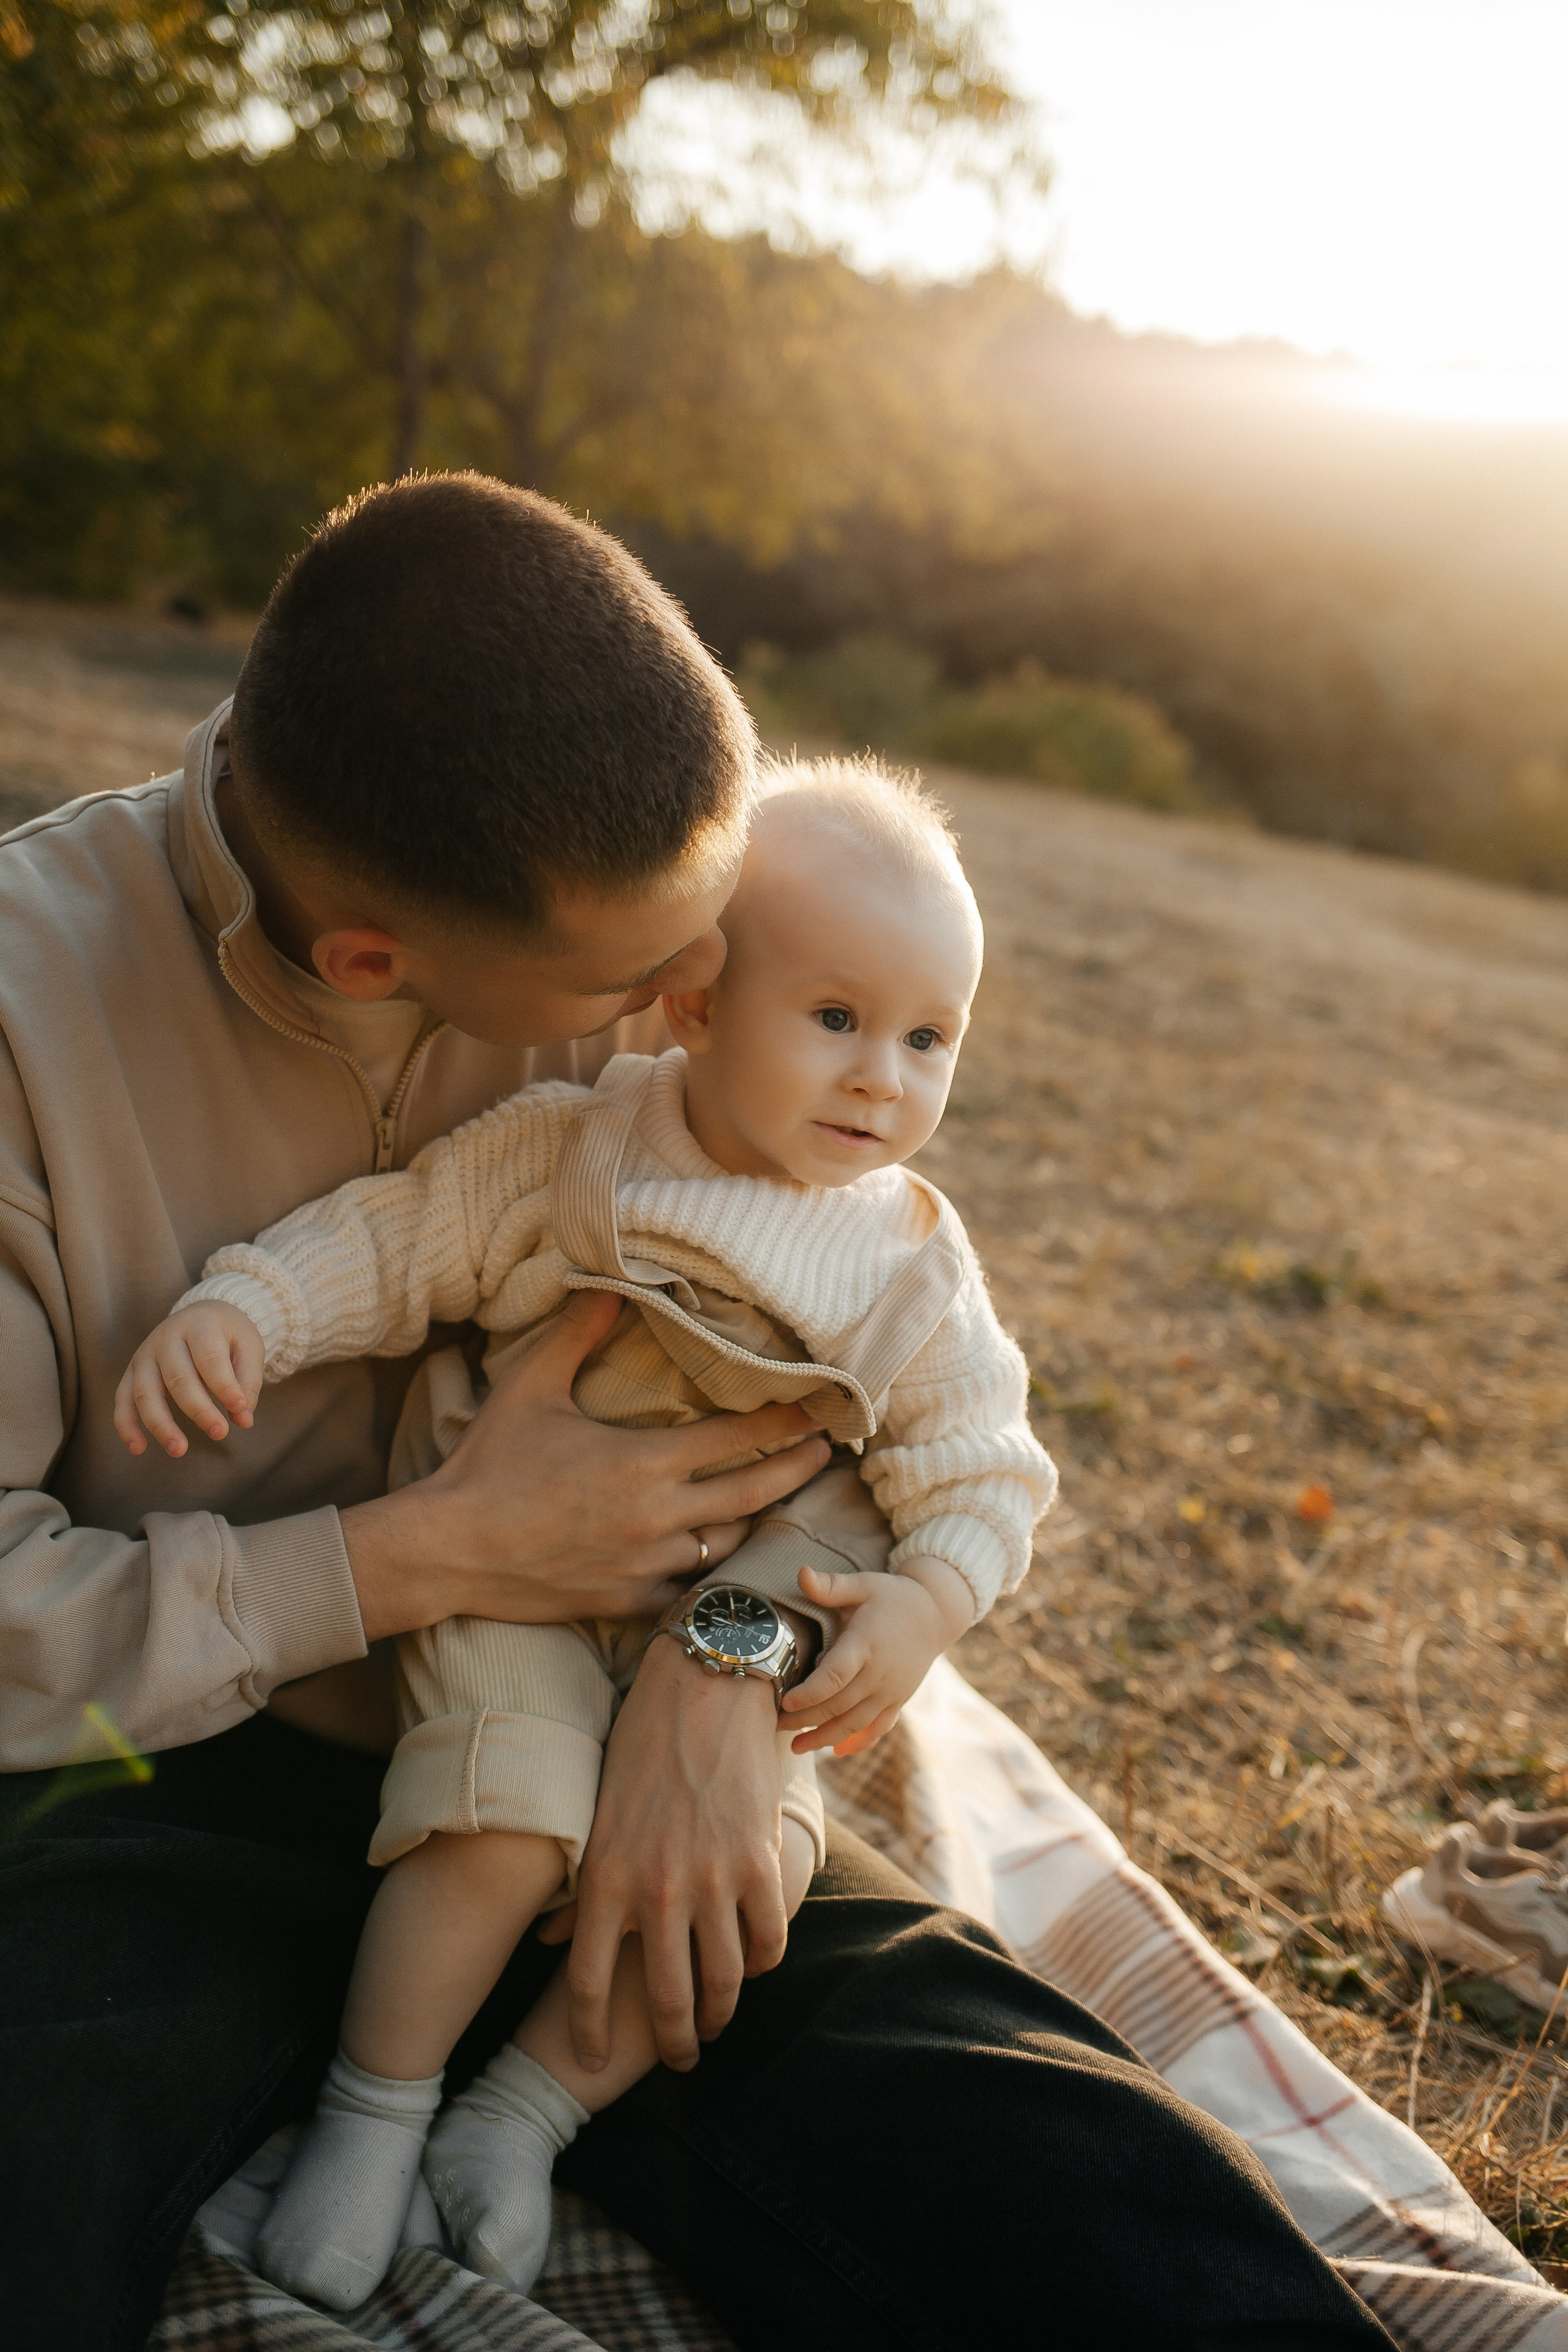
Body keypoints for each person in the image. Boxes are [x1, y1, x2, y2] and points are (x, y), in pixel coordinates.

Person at [0, 472, 1393, 2352]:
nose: (696, 1001)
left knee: (1067, 2163)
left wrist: (725, 1672)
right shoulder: (26, 1017)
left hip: (653, 1692)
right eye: (644, 981)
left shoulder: (635, 913)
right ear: (372, 963)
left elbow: (840, 1394)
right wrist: (422, 1560)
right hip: (158, 1766)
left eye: (717, 941)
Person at [115, 758, 1059, 2308]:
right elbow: (399, 1238)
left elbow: (984, 1466)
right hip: (518, 1588)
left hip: (746, 1627)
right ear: (691, 1005)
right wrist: (248, 1310)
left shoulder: (914, 1271)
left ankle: (522, 2113)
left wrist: (930, 1600)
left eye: (926, 1036)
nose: (881, 1077)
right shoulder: (581, 1152)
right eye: (832, 1017)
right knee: (507, 1813)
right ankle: (377, 2108)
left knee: (729, 1887)